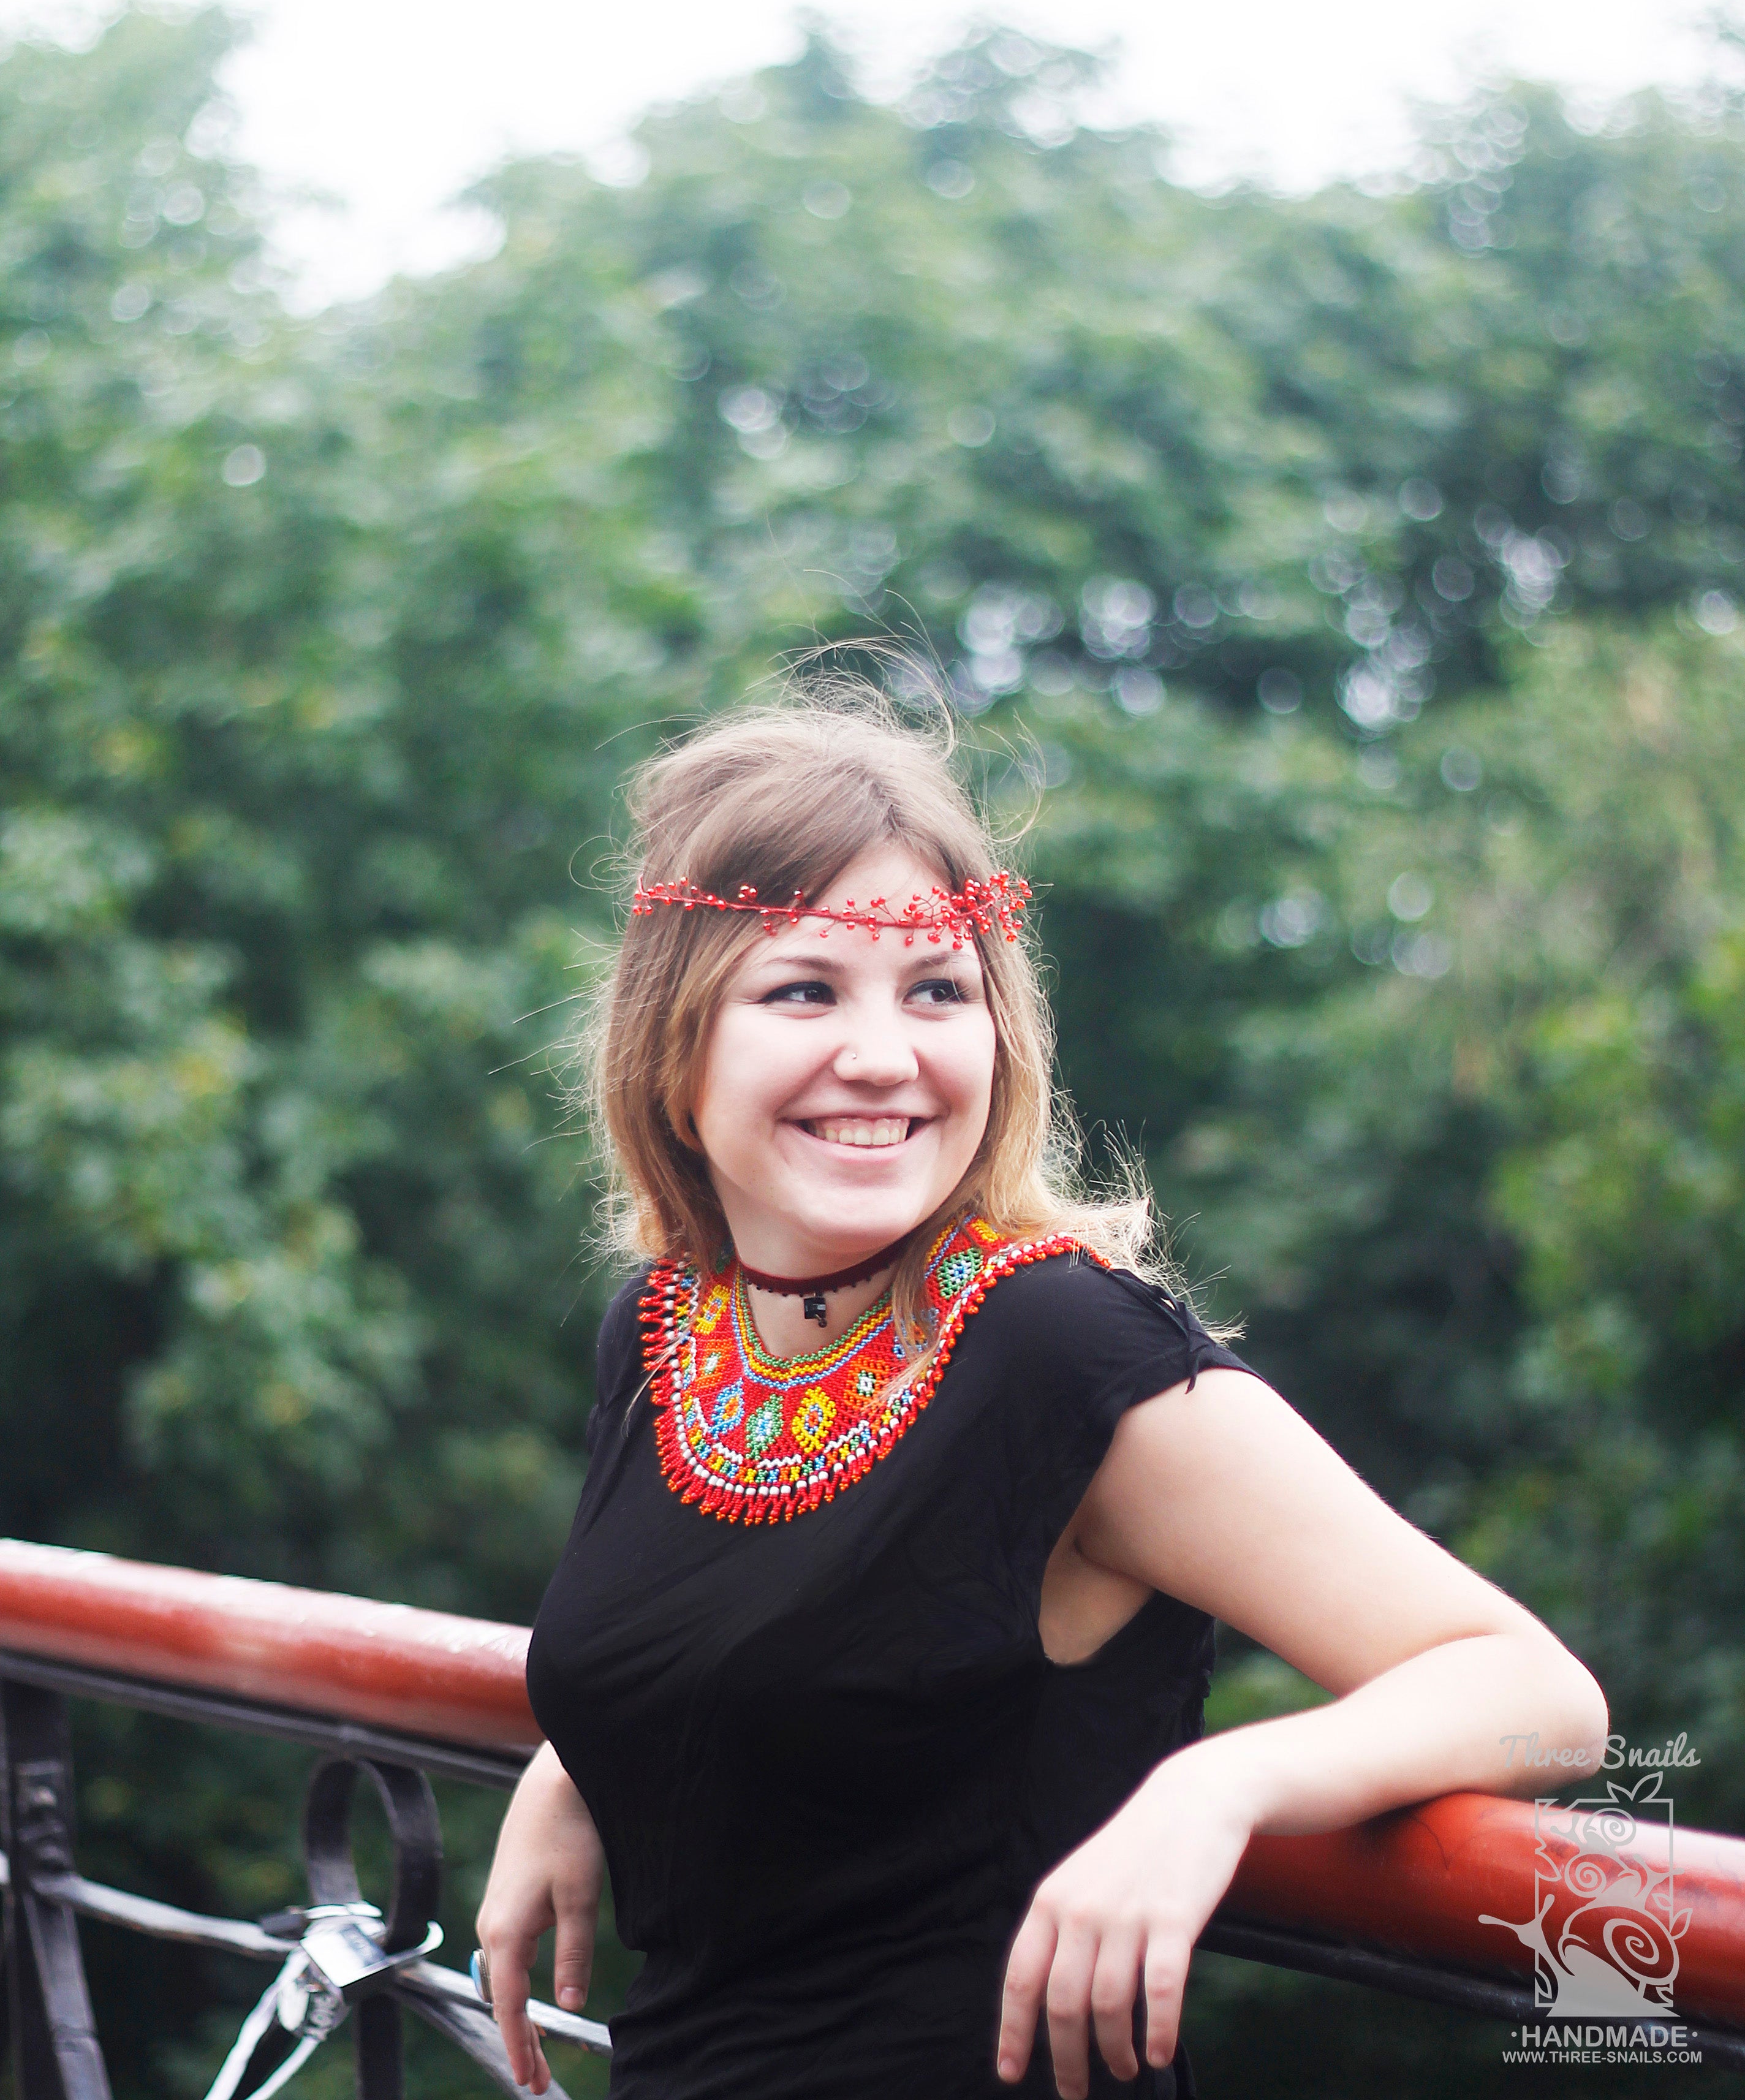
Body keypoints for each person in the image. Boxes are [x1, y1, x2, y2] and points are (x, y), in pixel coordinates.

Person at [475, 692, 1608, 2100]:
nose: (882, 1055)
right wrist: (589, 1757)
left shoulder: (1057, 1346)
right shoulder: (667, 1332)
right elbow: (770, 1645)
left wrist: (1218, 1787)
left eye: (935, 990)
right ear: (672, 1045)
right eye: (803, 990)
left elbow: (1537, 1696)